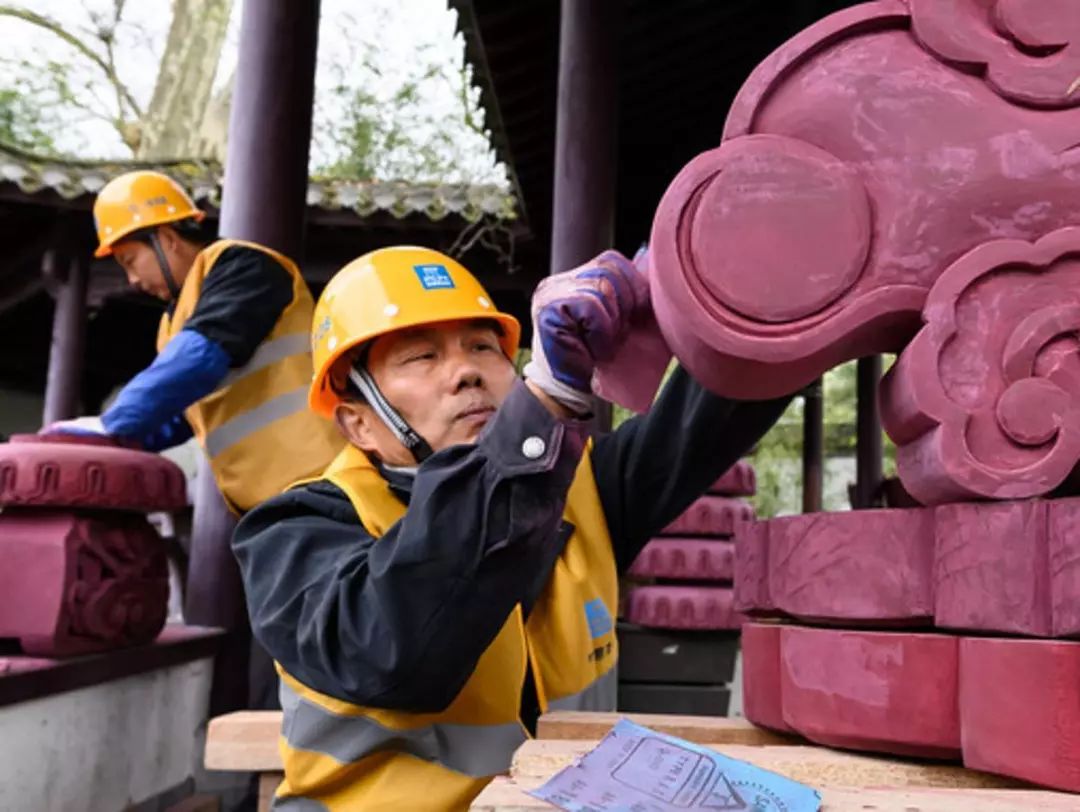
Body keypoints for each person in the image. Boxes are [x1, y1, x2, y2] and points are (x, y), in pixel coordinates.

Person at [232, 245, 792, 810]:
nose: (467, 372)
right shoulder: (293, 530)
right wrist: (545, 403)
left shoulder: (586, 488)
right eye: (420, 357)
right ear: (359, 424)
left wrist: (731, 296)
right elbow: (392, 651)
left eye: (481, 346)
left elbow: (714, 410)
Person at [46, 170, 341, 514]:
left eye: (131, 261)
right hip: (268, 501)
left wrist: (112, 423)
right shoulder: (173, 323)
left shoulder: (244, 266)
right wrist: (114, 439)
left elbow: (200, 356)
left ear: (166, 238)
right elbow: (182, 414)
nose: (132, 280)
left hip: (322, 479)